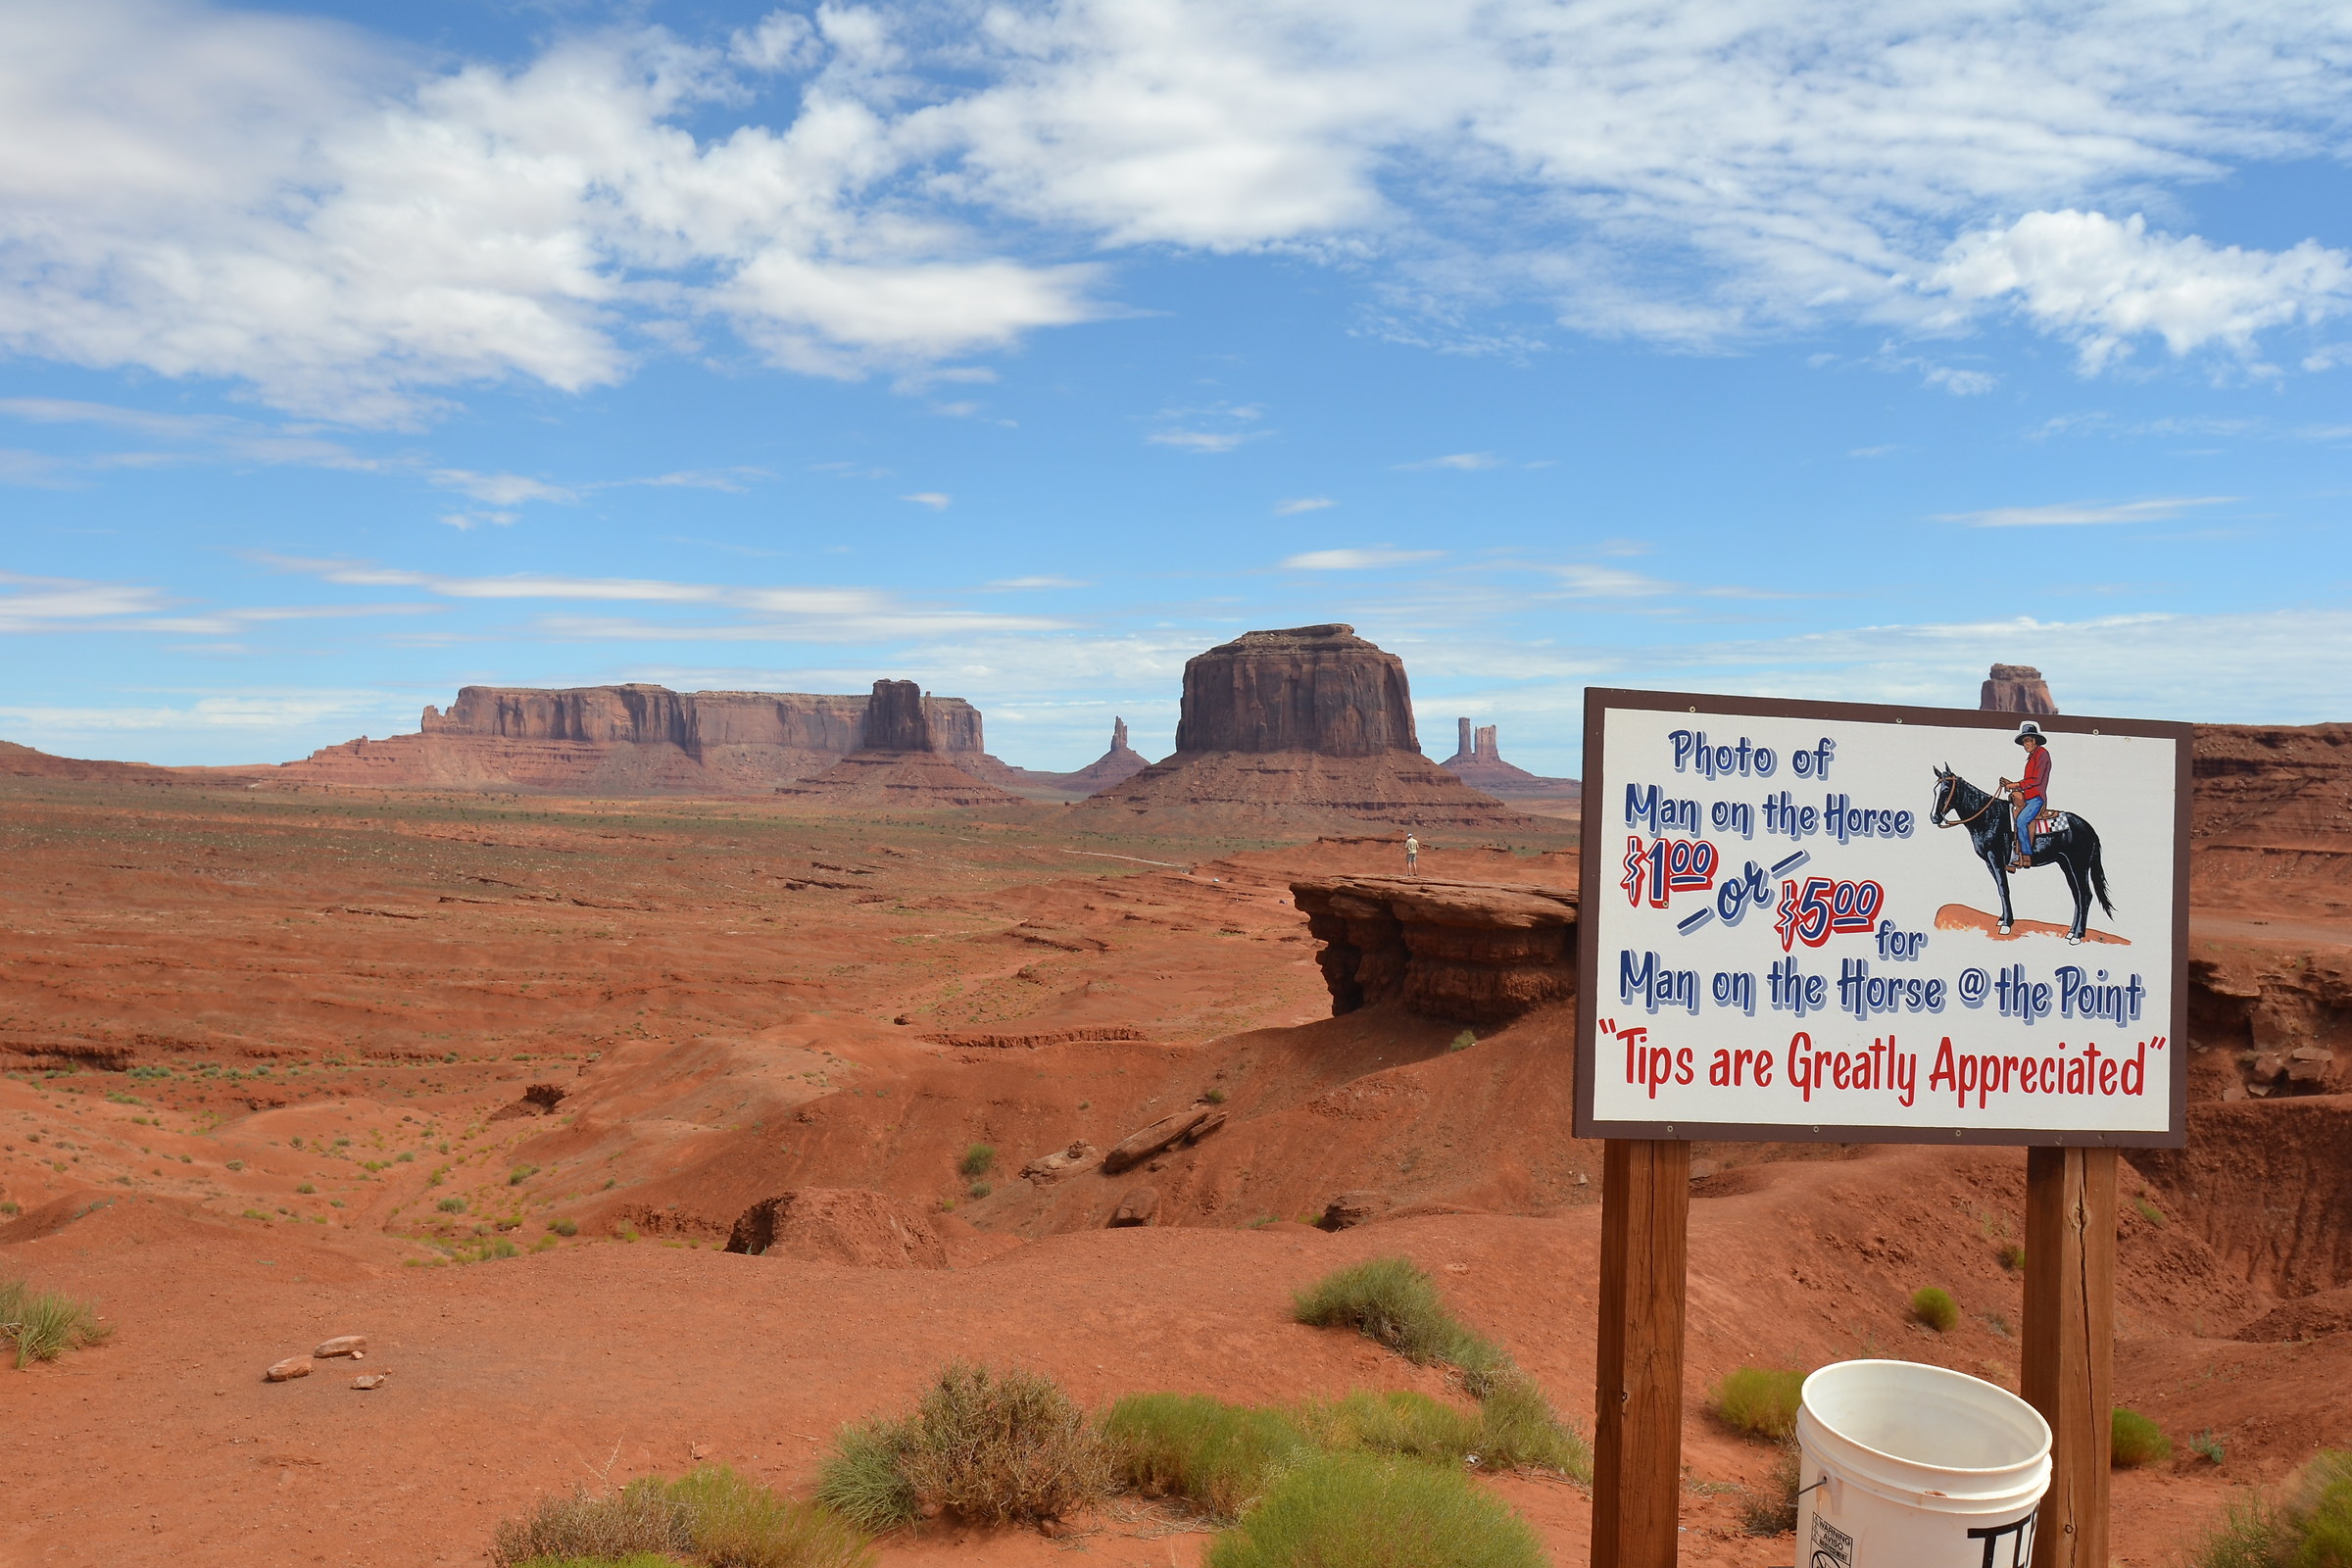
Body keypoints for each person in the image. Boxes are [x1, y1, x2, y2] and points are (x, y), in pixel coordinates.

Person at [1998, 722, 2052, 872]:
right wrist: (2010, 784)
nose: (2025, 745)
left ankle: (2026, 855)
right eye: (2024, 742)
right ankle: (2013, 854)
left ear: (2034, 740)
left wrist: (2014, 785)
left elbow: (2036, 780)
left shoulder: (2042, 754)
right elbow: (2027, 782)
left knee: (2021, 821)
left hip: (2037, 798)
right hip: (2028, 796)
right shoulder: (2032, 757)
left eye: (2027, 741)